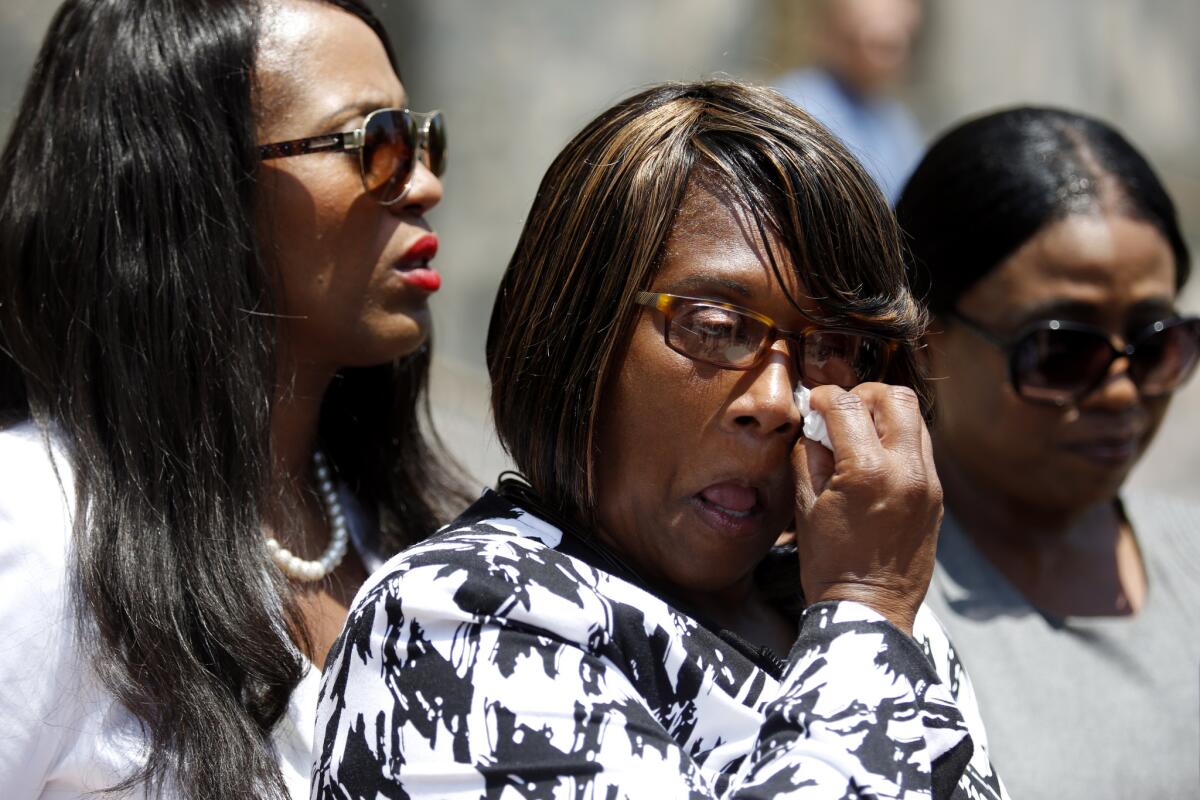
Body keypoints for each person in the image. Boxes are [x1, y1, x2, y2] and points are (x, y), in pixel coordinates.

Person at [312, 81, 1009, 799]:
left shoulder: (847, 603)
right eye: (712, 327)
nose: (773, 402)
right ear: (578, 332)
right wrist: (864, 613)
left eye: (828, 343)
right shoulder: (458, 617)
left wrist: (864, 607)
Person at [0, 0, 464, 797]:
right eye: (374, 143)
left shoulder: (412, 535)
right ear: (192, 180)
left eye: (425, 142)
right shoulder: (39, 531)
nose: (424, 183)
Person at [895, 107, 1200, 799]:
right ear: (922, 345)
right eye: (1062, 349)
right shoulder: (856, 611)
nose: (1122, 393)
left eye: (1157, 344)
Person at [774, 0, 924, 204]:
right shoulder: (798, 105)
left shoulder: (893, 117)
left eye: (896, 45)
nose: (884, 59)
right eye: (875, 43)